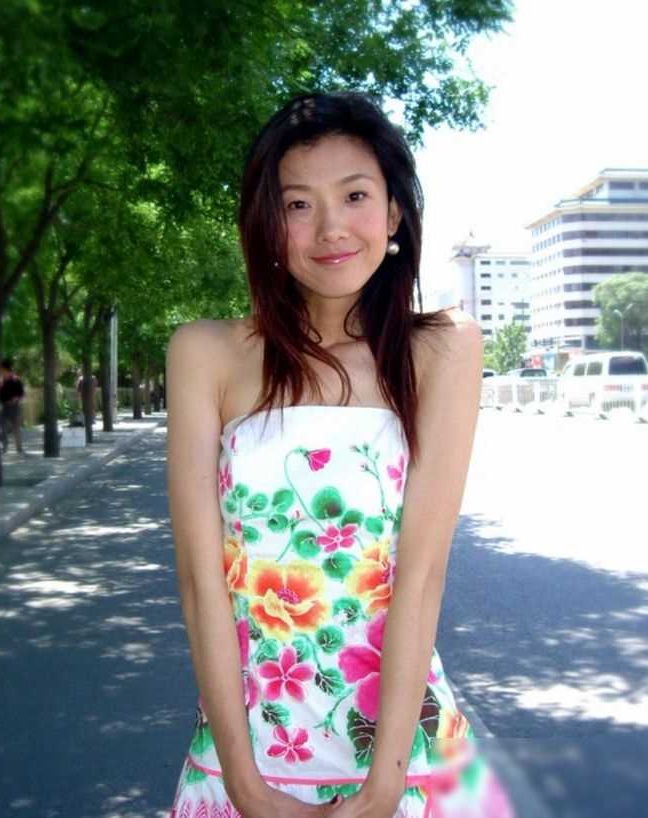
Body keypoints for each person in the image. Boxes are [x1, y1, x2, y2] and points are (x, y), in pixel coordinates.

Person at [166, 92, 515, 818]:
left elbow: (421, 574)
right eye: (298, 204)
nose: (330, 228)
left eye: (354, 195)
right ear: (268, 224)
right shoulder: (204, 353)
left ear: (393, 214)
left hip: (406, 759)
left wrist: (384, 788)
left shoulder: (443, 349)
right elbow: (202, 583)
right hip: (245, 757)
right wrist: (245, 785)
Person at [0, 358, 25, 455]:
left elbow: (21, 393)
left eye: (0, 369)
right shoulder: (0, 381)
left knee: (16, 428)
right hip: (3, 407)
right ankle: (4, 448)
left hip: (14, 407)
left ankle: (19, 448)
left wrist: (16, 399)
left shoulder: (15, 379)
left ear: (5, 369)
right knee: (2, 427)